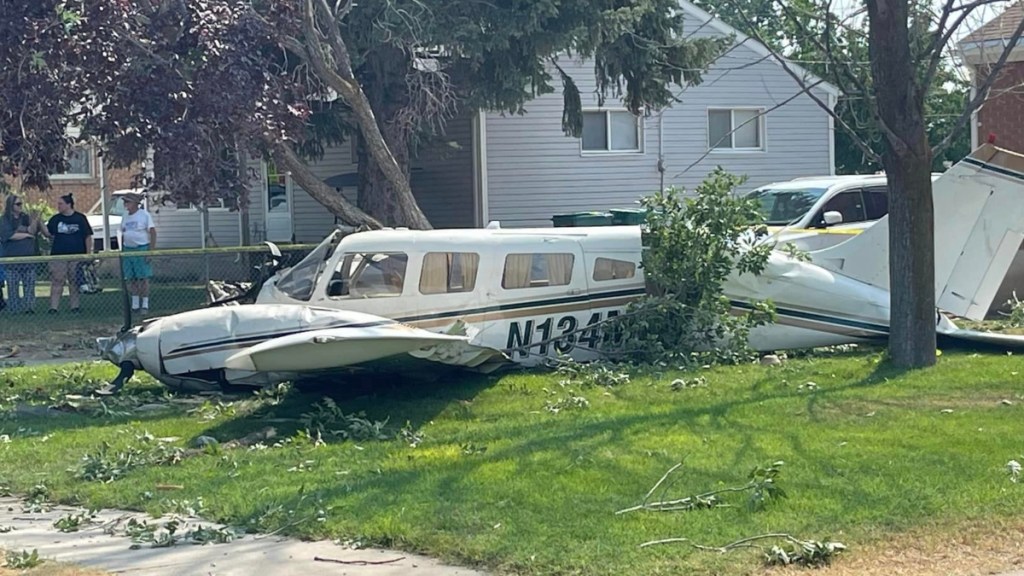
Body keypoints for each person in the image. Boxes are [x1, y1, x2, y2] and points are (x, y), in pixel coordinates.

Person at [43, 193, 93, 313]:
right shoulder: (55, 219)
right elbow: (48, 234)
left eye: (60, 204)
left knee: (74, 281)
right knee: (57, 280)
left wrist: (88, 253)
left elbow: (88, 236)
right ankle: (53, 308)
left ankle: (75, 307)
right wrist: (39, 223)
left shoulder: (80, 218)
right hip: (58, 255)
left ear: (69, 204)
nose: (58, 206)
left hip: (76, 255)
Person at [0, 194, 44, 313]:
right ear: (11, 205)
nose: (21, 206)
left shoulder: (25, 217)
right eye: (18, 204)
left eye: (21, 204)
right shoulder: (5, 220)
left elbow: (32, 231)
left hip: (28, 258)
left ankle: (29, 308)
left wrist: (35, 220)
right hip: (12, 259)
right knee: (12, 287)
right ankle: (14, 309)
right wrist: (26, 235)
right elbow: (9, 236)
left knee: (29, 285)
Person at [119, 192, 156, 314]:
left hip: (141, 248)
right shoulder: (125, 216)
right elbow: (123, 233)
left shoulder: (144, 215)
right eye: (125, 202)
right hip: (128, 250)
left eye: (128, 202)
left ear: (135, 203)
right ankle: (135, 304)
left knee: (143, 278)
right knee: (131, 278)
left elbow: (152, 232)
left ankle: (144, 303)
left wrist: (150, 251)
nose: (126, 204)